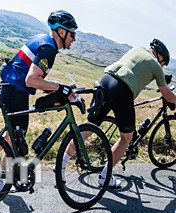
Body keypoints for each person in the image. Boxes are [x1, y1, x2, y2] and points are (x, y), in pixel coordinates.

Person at [63, 38, 176, 188]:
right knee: (126, 138)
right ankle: (105, 176)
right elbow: (167, 94)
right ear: (160, 56)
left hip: (105, 80)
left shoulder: (137, 48)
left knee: (89, 127)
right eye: (163, 63)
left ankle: (61, 165)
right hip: (122, 90)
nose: (162, 66)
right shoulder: (155, 65)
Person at [0, 10, 79, 192]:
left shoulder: (43, 39)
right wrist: (59, 87)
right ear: (62, 32)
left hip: (12, 87)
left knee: (12, 137)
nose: (74, 39)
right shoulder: (49, 49)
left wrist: (56, 88)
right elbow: (31, 80)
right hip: (15, 90)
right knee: (14, 138)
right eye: (72, 34)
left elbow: (34, 78)